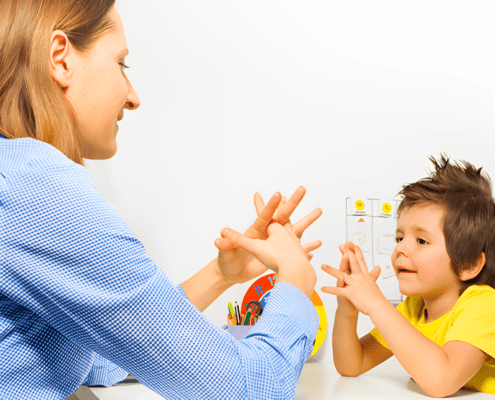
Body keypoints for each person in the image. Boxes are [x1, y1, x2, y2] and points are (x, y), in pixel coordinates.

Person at [0, 1, 322, 399]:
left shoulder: (15, 176)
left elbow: (101, 357)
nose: (133, 97)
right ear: (61, 59)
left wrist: (222, 274)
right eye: (122, 64)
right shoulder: (39, 187)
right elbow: (250, 389)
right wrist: (295, 280)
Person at [322, 155, 495, 397]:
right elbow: (352, 365)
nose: (400, 248)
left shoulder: (484, 305)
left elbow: (441, 382)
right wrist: (347, 311)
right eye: (399, 238)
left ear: (469, 264)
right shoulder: (413, 309)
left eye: (421, 240)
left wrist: (376, 303)